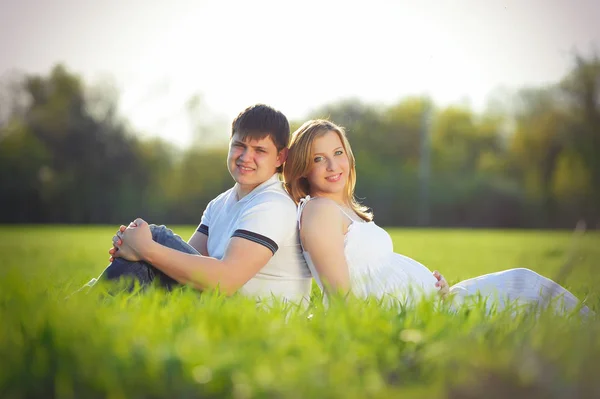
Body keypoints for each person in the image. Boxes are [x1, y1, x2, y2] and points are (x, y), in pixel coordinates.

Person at [283, 119, 592, 315]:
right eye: (318, 159)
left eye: (337, 153)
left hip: (433, 303)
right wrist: (419, 304)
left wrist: (428, 285)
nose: (332, 165)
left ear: (348, 156)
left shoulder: (340, 209)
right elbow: (342, 301)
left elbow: (373, 270)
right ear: (303, 168)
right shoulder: (319, 211)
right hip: (422, 314)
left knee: (529, 288)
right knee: (527, 286)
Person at [84, 104, 312, 304]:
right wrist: (138, 249)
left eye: (260, 150)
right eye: (240, 145)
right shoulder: (220, 203)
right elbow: (179, 265)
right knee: (149, 259)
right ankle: (85, 304)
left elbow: (227, 281)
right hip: (220, 304)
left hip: (254, 316)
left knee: (156, 238)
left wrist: (144, 247)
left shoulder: (274, 204)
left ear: (281, 157)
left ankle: (81, 304)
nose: (245, 157)